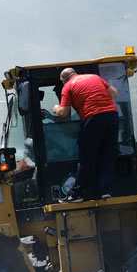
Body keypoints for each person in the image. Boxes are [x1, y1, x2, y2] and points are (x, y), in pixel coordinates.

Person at [53, 67, 120, 202]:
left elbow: (64, 113)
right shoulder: (95, 77)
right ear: (75, 74)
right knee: (107, 156)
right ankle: (104, 190)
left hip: (92, 119)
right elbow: (114, 94)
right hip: (112, 116)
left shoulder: (68, 86)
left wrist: (55, 109)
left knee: (86, 158)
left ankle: (77, 194)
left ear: (63, 80)